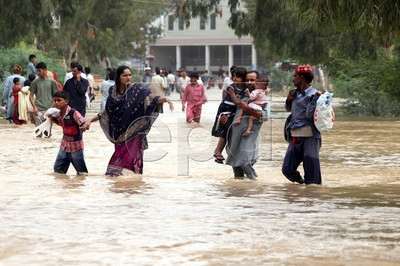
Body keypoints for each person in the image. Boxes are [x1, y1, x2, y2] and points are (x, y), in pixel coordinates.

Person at [82, 65, 169, 176]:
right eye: (125, 75)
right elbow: (107, 112)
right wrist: (90, 120)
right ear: (119, 77)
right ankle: (123, 189)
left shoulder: (137, 89)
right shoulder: (112, 92)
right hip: (119, 134)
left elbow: (151, 98)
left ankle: (132, 188)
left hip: (134, 133)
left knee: (129, 163)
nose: (128, 77)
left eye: (129, 75)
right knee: (118, 168)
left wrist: (162, 99)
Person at [282, 64, 322, 185]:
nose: (293, 79)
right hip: (295, 136)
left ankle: (311, 196)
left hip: (311, 137)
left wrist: (315, 100)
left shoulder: (315, 95)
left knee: (312, 177)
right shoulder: (294, 93)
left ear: (302, 78)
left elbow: (311, 116)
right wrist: (289, 99)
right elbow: (288, 109)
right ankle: (301, 184)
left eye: (295, 76)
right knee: (287, 169)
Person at [225, 71, 269, 179]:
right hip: (235, 138)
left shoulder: (263, 98)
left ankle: (255, 184)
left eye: (252, 80)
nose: (249, 82)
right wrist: (224, 118)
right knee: (237, 173)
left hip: (249, 137)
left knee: (245, 162)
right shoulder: (239, 95)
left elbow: (265, 116)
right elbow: (226, 111)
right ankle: (242, 192)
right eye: (247, 79)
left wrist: (247, 109)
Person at [211, 67, 248, 164]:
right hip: (226, 109)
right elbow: (235, 100)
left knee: (228, 131)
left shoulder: (245, 89)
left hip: (234, 111)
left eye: (238, 77)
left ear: (243, 78)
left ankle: (219, 152)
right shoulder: (231, 87)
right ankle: (218, 151)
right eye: (234, 76)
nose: (235, 79)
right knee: (225, 130)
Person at [51, 91, 88, 175]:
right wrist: (52, 119)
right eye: (55, 100)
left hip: (76, 147)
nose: (56, 103)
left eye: (59, 100)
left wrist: (84, 126)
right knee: (58, 171)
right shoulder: (58, 113)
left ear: (66, 101)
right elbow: (62, 124)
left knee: (82, 173)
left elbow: (84, 123)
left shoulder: (74, 113)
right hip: (64, 146)